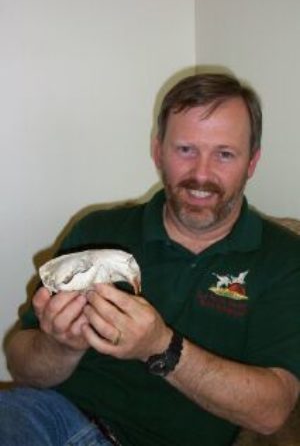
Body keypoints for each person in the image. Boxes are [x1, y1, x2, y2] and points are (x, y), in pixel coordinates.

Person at [1, 72, 300, 446]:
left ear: (251, 162)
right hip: (53, 418)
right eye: (185, 150)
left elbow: (272, 411)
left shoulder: (284, 258)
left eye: (224, 154)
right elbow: (20, 363)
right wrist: (60, 346)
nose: (201, 174)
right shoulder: (99, 229)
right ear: (158, 151)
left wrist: (162, 348)